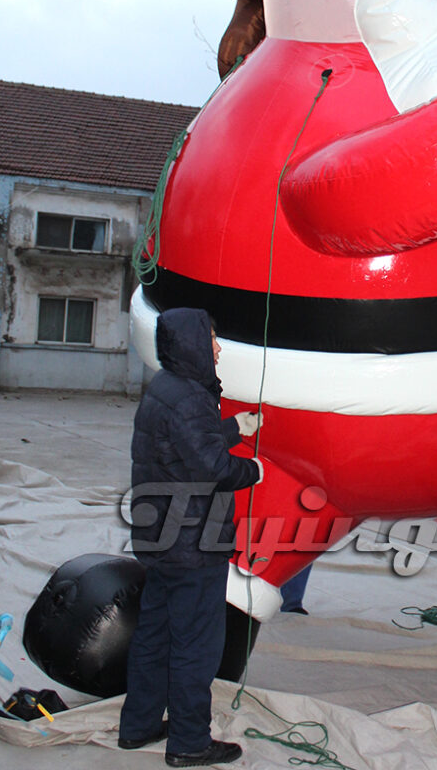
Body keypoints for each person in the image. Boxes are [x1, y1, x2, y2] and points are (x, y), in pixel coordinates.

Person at [118, 307, 263, 767]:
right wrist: (253, 469)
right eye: (213, 339)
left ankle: (138, 726)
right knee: (195, 646)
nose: (217, 348)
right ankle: (188, 741)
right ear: (194, 343)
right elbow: (213, 469)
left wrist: (232, 430)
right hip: (194, 545)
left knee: (154, 636)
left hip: (161, 540)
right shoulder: (192, 397)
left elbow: (183, 445)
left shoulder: (164, 389)